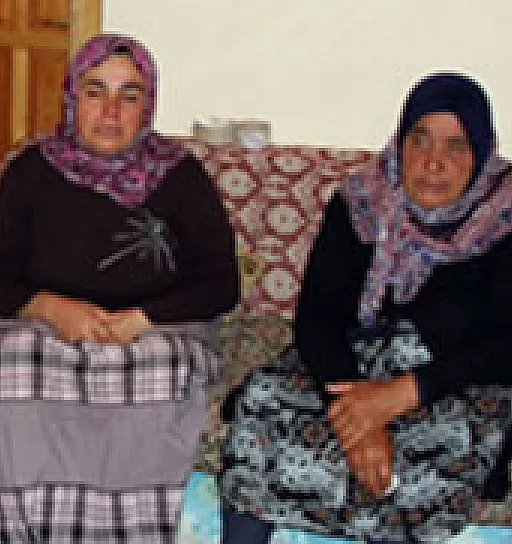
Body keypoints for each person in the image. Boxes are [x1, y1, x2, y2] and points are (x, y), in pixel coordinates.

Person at [0, 33, 240, 543]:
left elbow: (221, 283)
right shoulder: (30, 173)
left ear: (148, 105)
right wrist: (52, 309)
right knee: (12, 372)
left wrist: (141, 320)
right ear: (71, 98)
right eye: (95, 91)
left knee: (158, 374)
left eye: (129, 95)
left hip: (158, 332)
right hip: (51, 331)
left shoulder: (179, 176)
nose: (111, 111)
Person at [219, 73, 512, 543]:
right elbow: (318, 320)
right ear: (401, 142)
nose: (433, 161)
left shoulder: (504, 218)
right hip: (356, 371)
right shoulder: (361, 203)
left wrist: (403, 393)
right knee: (261, 401)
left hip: (452, 384)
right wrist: (358, 417)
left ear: (480, 153)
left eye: (456, 146)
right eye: (420, 139)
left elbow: (504, 346)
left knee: (446, 444)